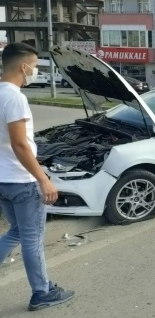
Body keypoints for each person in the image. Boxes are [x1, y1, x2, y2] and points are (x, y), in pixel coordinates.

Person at [0, 42, 75, 311]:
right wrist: (42, 177)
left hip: (3, 179)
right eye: (34, 65)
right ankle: (42, 292)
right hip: (21, 180)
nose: (35, 70)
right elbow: (20, 144)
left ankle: (42, 288)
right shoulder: (14, 97)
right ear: (23, 66)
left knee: (17, 232)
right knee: (32, 238)